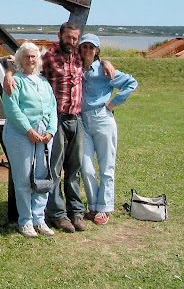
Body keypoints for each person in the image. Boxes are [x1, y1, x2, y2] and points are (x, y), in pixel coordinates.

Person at [3, 22, 115, 233]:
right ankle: (57, 214)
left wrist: (105, 61)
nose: (72, 41)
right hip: (56, 119)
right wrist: (9, 74)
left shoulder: (79, 56)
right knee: (52, 169)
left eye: (75, 38)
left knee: (74, 167)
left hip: (75, 118)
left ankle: (76, 212)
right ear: (60, 36)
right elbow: (23, 62)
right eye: (68, 37)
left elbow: (94, 58)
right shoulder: (49, 57)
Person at [78, 33, 138, 225]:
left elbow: (131, 83)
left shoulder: (104, 71)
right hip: (82, 120)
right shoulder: (76, 68)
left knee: (106, 165)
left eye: (91, 47)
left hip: (102, 118)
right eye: (84, 46)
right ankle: (93, 205)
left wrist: (113, 103)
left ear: (97, 51)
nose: (87, 50)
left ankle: (104, 208)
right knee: (86, 167)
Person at [1, 42, 57, 238]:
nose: (31, 60)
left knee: (42, 177)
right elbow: (12, 109)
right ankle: (25, 221)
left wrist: (51, 130)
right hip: (20, 134)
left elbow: (52, 108)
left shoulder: (44, 83)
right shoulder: (15, 81)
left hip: (44, 135)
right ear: (20, 59)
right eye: (27, 56)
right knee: (23, 178)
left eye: (34, 56)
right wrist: (29, 130)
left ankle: (39, 219)